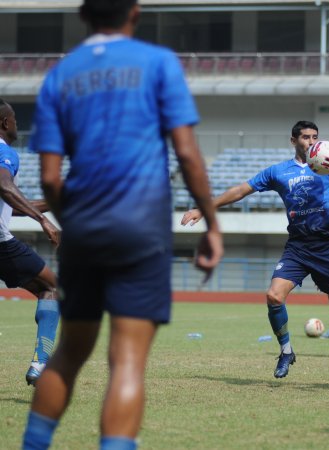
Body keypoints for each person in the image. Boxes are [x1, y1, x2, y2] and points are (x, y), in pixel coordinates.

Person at [22, 1, 223, 449]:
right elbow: (188, 154)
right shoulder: (158, 63)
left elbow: (51, 177)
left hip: (84, 230)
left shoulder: (60, 74)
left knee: (70, 354)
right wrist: (211, 224)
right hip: (141, 227)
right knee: (128, 362)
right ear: (134, 12)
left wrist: (72, 223)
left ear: (83, 16)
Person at [182, 120, 329, 381]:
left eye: (315, 137)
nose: (311, 141)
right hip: (298, 247)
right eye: (306, 137)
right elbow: (240, 190)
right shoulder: (278, 172)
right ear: (293, 141)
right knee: (274, 296)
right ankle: (286, 351)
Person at [0, 100, 61, 386]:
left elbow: (10, 200)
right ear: (4, 123)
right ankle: (40, 365)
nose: (16, 124)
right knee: (51, 287)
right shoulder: (4, 152)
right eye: (13, 119)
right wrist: (43, 221)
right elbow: (5, 187)